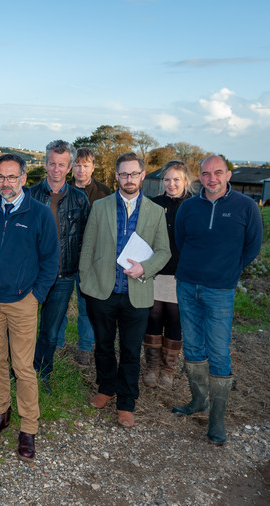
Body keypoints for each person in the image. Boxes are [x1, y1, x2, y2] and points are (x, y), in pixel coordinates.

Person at [0, 154, 59, 462]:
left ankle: (28, 428)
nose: (6, 183)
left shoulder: (40, 214)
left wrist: (37, 296)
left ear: (23, 178)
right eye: (1, 177)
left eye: (12, 177)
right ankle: (0, 414)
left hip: (22, 302)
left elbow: (50, 260)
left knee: (23, 367)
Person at [172, 155, 262, 445]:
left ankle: (217, 419)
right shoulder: (188, 207)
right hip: (187, 285)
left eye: (218, 173)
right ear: (200, 176)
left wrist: (228, 272)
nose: (212, 178)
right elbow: (181, 241)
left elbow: (252, 246)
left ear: (228, 175)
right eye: (206, 173)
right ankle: (198, 401)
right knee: (194, 346)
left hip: (220, 290)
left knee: (219, 351)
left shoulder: (246, 207)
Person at [79, 152, 170, 429]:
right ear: (116, 176)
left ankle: (126, 402)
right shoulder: (102, 206)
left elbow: (164, 251)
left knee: (131, 351)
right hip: (103, 292)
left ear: (142, 175)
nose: (128, 179)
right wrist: (85, 282)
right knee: (104, 346)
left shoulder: (155, 211)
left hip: (137, 293)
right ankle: (106, 388)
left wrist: (146, 267)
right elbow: (88, 247)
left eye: (134, 174)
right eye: (123, 174)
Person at [30, 140, 90, 393]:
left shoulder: (80, 200)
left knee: (51, 332)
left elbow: (86, 238)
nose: (56, 169)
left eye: (61, 165)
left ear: (69, 167)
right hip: (31, 274)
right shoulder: (30, 195)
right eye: (52, 163)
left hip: (63, 276)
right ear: (46, 164)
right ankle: (20, 372)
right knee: (23, 328)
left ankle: (43, 374)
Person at [59, 148, 112, 365]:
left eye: (86, 165)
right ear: (72, 167)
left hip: (90, 259)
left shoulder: (103, 192)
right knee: (59, 305)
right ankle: (56, 342)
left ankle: (85, 346)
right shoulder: (62, 189)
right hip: (63, 257)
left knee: (86, 305)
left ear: (93, 167)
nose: (82, 169)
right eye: (78, 165)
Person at [142, 161, 193, 389]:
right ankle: (152, 366)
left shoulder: (193, 205)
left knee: (174, 318)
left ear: (185, 181)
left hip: (181, 274)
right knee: (153, 316)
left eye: (176, 180)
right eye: (167, 179)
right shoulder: (153, 204)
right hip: (156, 272)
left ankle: (168, 368)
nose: (171, 184)